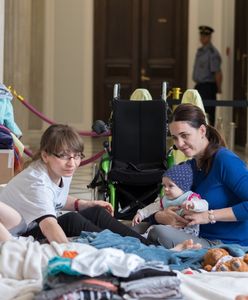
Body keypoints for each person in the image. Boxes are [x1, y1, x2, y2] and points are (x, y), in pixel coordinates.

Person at [147, 103, 248, 248]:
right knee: (135, 230)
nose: (179, 144)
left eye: (184, 135)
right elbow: (161, 201)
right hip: (194, 236)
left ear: (202, 131)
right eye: (175, 138)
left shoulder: (225, 160)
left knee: (156, 233)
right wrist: (160, 216)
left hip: (226, 244)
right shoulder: (189, 167)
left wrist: (208, 216)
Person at [132, 162, 208, 238]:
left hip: (189, 233)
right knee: (154, 228)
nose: (166, 189)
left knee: (159, 230)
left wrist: (193, 204)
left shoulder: (190, 197)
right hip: (170, 228)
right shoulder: (165, 199)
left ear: (183, 187)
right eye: (164, 186)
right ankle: (147, 237)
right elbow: (153, 207)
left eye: (170, 186)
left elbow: (205, 205)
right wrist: (141, 214)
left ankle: (150, 238)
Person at [192, 25, 222, 125]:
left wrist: (218, 88)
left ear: (209, 37)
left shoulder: (212, 53)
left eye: (205, 36)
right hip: (199, 86)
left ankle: (209, 138)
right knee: (197, 115)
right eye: (201, 35)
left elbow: (217, 72)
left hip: (208, 87)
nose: (202, 38)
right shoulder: (200, 51)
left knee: (207, 115)